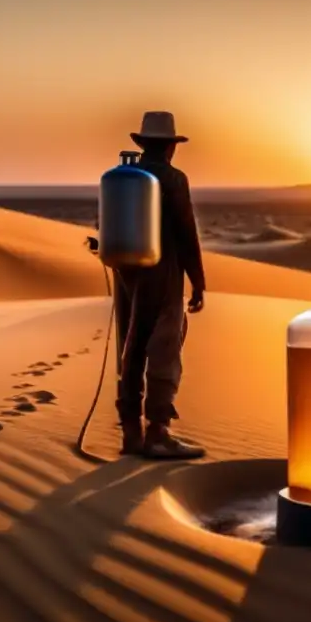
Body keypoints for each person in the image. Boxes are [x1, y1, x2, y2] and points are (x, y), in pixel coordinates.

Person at [112, 111, 207, 459]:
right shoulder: (173, 179)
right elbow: (186, 232)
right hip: (164, 273)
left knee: (132, 346)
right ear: (170, 145)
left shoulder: (124, 178)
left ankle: (130, 433)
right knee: (165, 349)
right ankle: (158, 432)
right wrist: (198, 282)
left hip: (128, 273)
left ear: (141, 144)